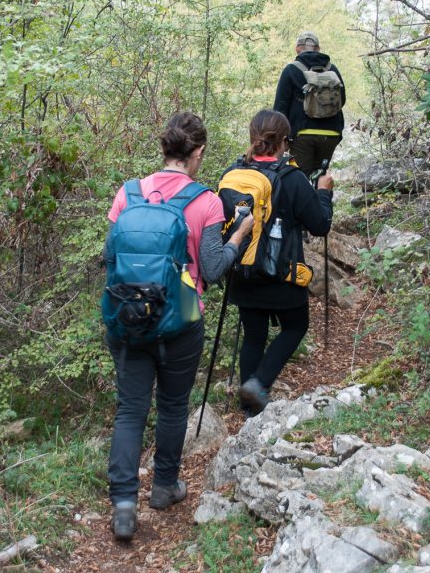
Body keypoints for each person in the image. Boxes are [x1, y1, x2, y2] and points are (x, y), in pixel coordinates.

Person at [104, 111, 254, 541]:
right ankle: (165, 486)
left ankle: (124, 504)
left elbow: (109, 257)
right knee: (172, 406)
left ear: (164, 148)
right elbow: (211, 267)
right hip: (180, 323)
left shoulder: (128, 194)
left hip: (127, 320)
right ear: (198, 152)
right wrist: (238, 237)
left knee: (131, 409)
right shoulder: (205, 201)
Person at [228, 109, 333, 416]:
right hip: (281, 274)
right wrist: (323, 193)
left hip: (243, 270)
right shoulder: (292, 178)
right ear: (284, 142)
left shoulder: (234, 173)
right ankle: (258, 384)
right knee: (295, 326)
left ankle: (251, 413)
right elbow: (320, 225)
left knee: (254, 336)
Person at [272, 30, 346, 175]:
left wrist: (280, 138)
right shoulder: (332, 69)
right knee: (320, 176)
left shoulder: (291, 70)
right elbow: (342, 100)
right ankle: (324, 196)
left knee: (302, 180)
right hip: (331, 133)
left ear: (297, 49)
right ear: (318, 49)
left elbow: (280, 108)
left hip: (303, 134)